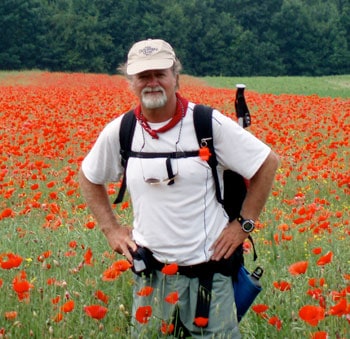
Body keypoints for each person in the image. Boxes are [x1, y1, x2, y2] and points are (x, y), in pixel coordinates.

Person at [79, 38, 279, 338]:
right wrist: (111, 230)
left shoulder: (207, 124)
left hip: (210, 276)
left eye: (160, 73)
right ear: (131, 83)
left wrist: (244, 224)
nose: (152, 82)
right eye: (143, 76)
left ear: (176, 77)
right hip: (151, 277)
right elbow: (88, 176)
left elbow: (267, 162)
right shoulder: (123, 131)